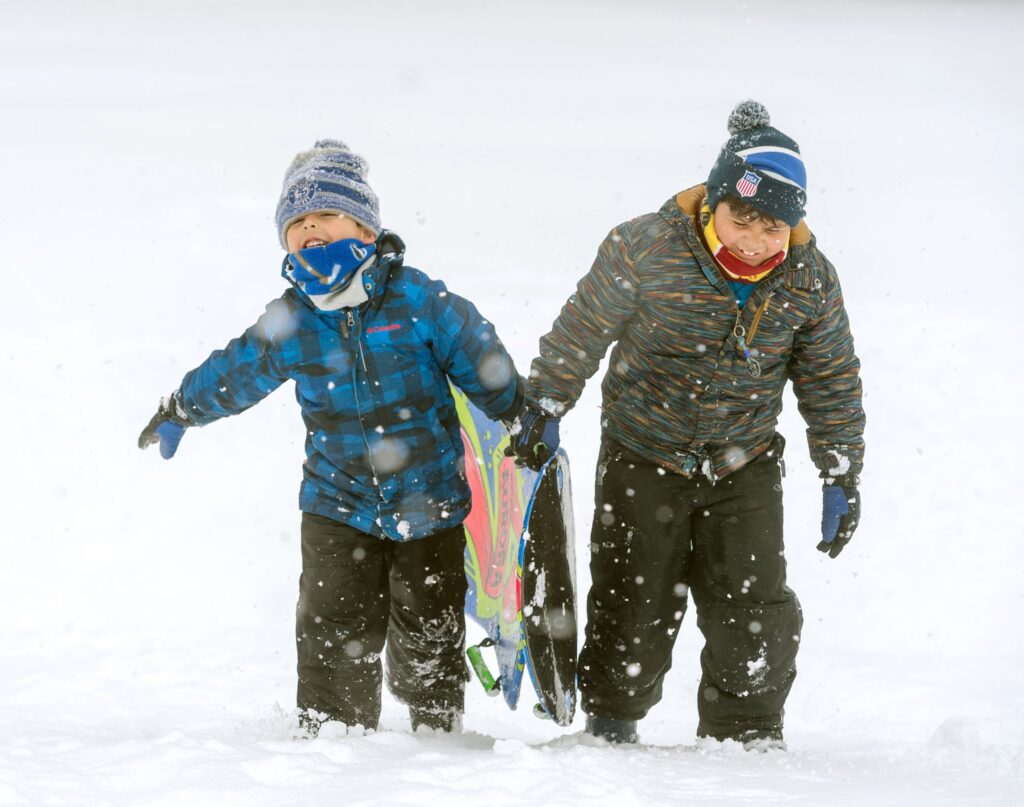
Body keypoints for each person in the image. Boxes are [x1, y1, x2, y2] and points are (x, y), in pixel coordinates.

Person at [510, 101, 864, 749]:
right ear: (714, 203)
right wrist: (547, 402)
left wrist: (840, 468)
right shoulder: (646, 246)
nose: (754, 240)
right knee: (632, 600)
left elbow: (831, 376)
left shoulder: (809, 278)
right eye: (742, 219)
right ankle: (611, 725)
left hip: (744, 463)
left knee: (752, 608)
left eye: (773, 227)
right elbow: (583, 328)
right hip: (643, 453)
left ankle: (747, 736)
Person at [139, 140, 523, 735]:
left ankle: (436, 734)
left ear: (367, 230)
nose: (310, 228)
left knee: (429, 632)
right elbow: (237, 370)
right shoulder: (293, 317)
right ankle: (330, 742)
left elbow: (482, 362)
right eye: (296, 223)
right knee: (332, 630)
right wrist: (182, 407)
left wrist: (522, 417)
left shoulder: (420, 301)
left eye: (325, 215)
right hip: (336, 503)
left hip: (429, 501)